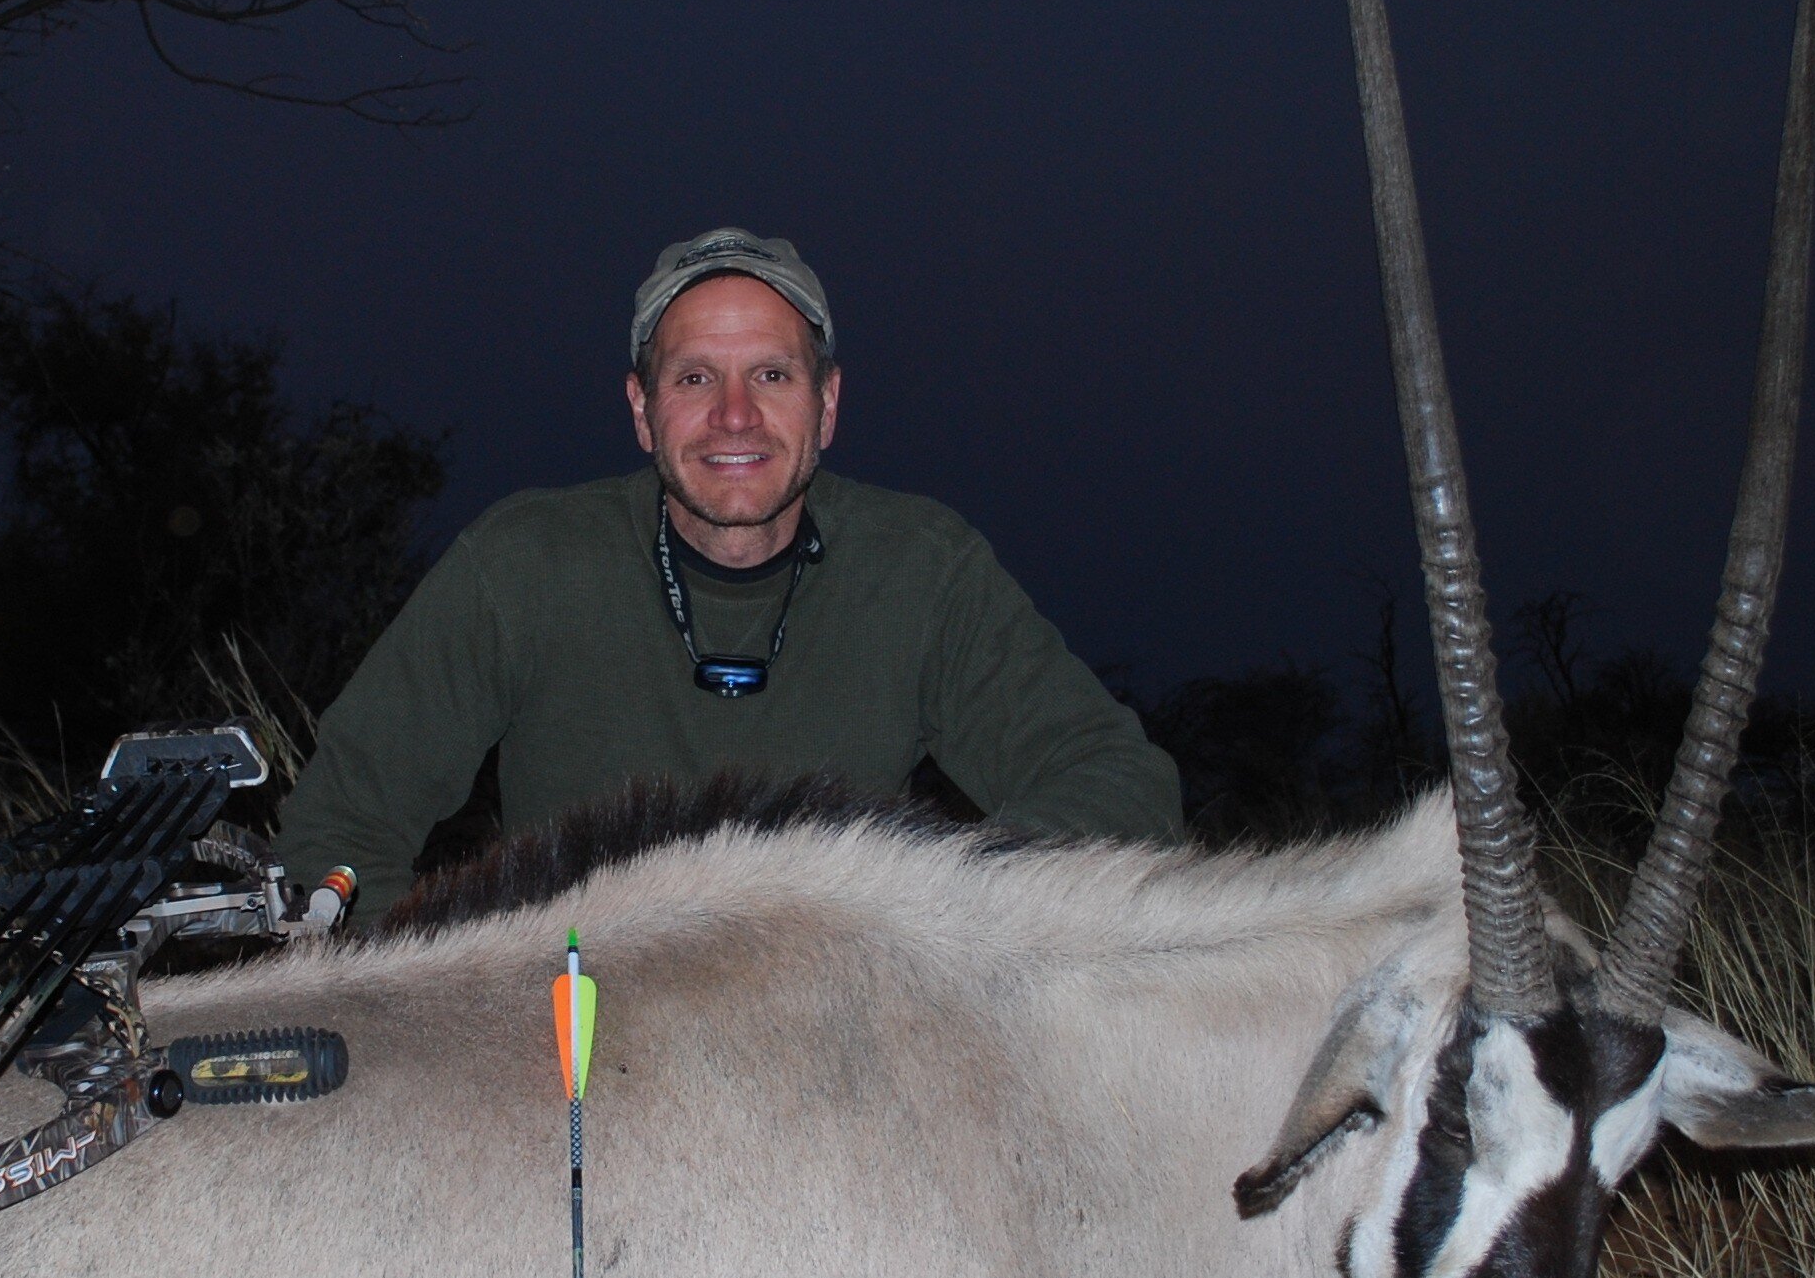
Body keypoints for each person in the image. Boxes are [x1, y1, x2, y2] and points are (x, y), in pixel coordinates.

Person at [276, 228, 1179, 920]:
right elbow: (339, 829)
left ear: (827, 406)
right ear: (642, 410)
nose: (735, 417)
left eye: (774, 375)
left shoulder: (924, 568)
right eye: (696, 378)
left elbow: (1121, 786)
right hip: (575, 1045)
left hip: (836, 1031)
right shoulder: (519, 564)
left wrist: (926, 906)